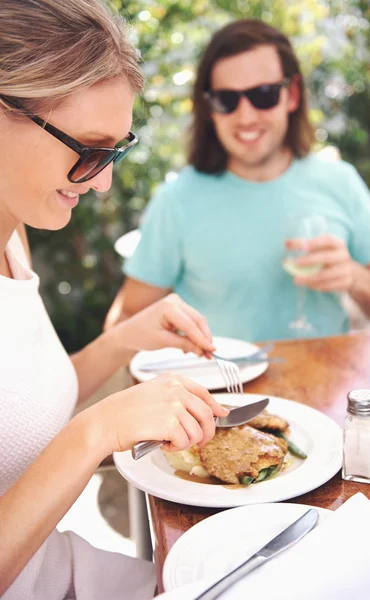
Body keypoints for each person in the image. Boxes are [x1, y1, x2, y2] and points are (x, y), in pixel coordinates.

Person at [0, 1, 229, 599]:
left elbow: (20, 404)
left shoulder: (11, 238)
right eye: (89, 148)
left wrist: (125, 337)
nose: (102, 181)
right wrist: (96, 431)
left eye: (115, 151)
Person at [108, 19, 370, 342]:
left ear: (292, 95)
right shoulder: (176, 200)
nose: (245, 116)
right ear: (209, 108)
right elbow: (124, 322)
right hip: (222, 390)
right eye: (226, 100)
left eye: (263, 95)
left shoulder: (340, 182)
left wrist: (355, 278)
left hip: (325, 388)